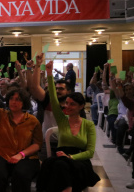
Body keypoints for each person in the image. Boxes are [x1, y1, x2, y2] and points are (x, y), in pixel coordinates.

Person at [36, 61, 100, 192]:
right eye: (67, 103)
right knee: (58, 165)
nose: (67, 107)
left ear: (81, 106)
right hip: (60, 155)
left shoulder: (88, 125)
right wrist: (49, 73)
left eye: (72, 104)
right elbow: (53, 99)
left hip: (79, 159)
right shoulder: (62, 120)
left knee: (60, 166)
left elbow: (90, 152)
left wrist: (71, 157)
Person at [0, 71, 42, 192]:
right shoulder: (1, 114)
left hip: (26, 157)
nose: (13, 102)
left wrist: (21, 155)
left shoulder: (33, 121)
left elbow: (37, 144)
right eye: (11, 98)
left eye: (18, 99)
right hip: (0, 154)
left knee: (21, 174)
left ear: (24, 103)